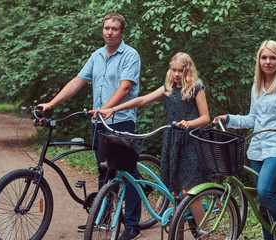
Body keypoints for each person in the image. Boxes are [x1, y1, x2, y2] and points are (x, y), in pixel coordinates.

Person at [38, 13, 142, 239]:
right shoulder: (96, 56)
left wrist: (105, 108)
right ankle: (103, 219)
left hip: (121, 121)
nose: (109, 32)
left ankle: (132, 225)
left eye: (114, 29)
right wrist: (51, 103)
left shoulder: (131, 55)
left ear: (122, 32)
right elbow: (77, 82)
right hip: (99, 123)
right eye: (106, 28)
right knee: (104, 169)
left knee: (127, 173)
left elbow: (124, 89)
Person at [90, 52, 211, 238]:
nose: (177, 74)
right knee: (177, 194)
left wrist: (189, 123)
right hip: (172, 142)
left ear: (188, 71)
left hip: (191, 142)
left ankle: (205, 234)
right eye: (174, 70)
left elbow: (205, 118)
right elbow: (142, 100)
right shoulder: (168, 87)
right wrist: (112, 109)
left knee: (190, 192)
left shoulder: (196, 88)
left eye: (181, 71)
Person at [213, 40, 276, 240]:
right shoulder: (257, 85)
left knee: (265, 192)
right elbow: (252, 119)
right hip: (257, 148)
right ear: (259, 60)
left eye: (272, 58)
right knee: (263, 204)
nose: (268, 62)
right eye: (264, 57)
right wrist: (228, 119)